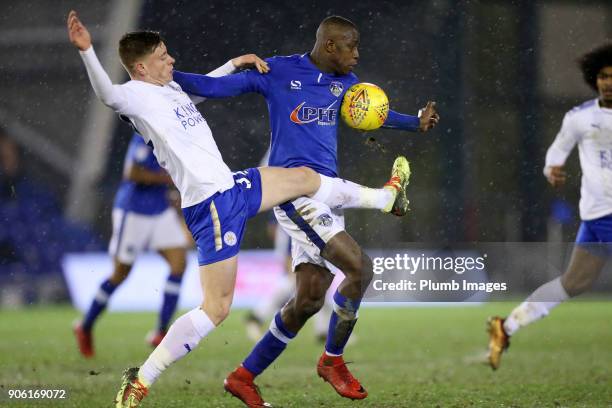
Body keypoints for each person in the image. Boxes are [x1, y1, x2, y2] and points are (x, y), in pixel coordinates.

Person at [67, 11, 406, 408]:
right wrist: (88, 51)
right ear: (141, 67)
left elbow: (209, 87)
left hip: (232, 187)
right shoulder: (135, 96)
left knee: (302, 177)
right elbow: (107, 94)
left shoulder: (169, 91)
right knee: (216, 309)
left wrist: (235, 63)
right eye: (162, 56)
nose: (171, 60)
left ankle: (384, 197)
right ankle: (141, 380)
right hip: (211, 207)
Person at [173, 15, 440, 406]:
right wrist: (168, 76)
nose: (357, 55)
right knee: (360, 268)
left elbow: (375, 115)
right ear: (330, 45)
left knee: (309, 299)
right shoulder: (278, 71)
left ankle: (243, 376)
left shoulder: (347, 85)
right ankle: (333, 361)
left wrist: (414, 123)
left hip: (327, 194)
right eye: (352, 47)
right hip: (295, 196)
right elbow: (216, 88)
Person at [487, 43, 612, 370]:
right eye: (602, 76)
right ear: (594, 79)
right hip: (599, 214)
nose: (608, 82)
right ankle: (507, 326)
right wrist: (552, 171)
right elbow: (554, 157)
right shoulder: (580, 118)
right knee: (573, 284)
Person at [74, 132, 188, 357]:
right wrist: (168, 179)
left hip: (159, 210)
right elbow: (133, 172)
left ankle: (160, 332)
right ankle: (85, 325)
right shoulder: (144, 136)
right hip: (133, 212)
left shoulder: (173, 138)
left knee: (179, 264)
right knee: (120, 274)